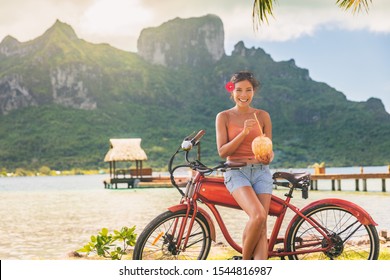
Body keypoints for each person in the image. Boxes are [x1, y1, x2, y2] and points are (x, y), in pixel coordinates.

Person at [215, 71, 274, 260]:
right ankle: (245, 262)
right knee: (258, 215)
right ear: (231, 91)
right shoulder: (223, 117)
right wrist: (243, 133)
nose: (244, 95)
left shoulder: (263, 116)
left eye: (248, 90)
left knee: (262, 226)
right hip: (236, 172)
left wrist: (268, 157)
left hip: (261, 172)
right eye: (239, 90)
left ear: (253, 91)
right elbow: (223, 152)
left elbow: (268, 148)